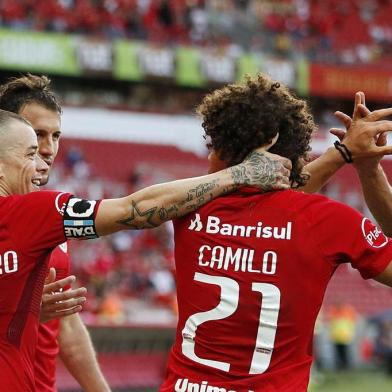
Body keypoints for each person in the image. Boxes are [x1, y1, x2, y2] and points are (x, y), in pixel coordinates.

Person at [0, 106, 292, 392]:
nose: (42, 163)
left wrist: (18, 311)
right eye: (30, 153)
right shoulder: (30, 212)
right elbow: (135, 210)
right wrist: (237, 175)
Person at [160, 75, 392, 391]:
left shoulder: (191, 205)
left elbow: (268, 197)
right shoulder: (328, 220)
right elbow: (281, 200)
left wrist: (346, 153)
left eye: (214, 146)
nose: (209, 157)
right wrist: (367, 167)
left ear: (232, 150)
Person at [0, 74, 109, 392]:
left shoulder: (50, 215)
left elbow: (66, 323)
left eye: (56, 135)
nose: (48, 149)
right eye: (37, 135)